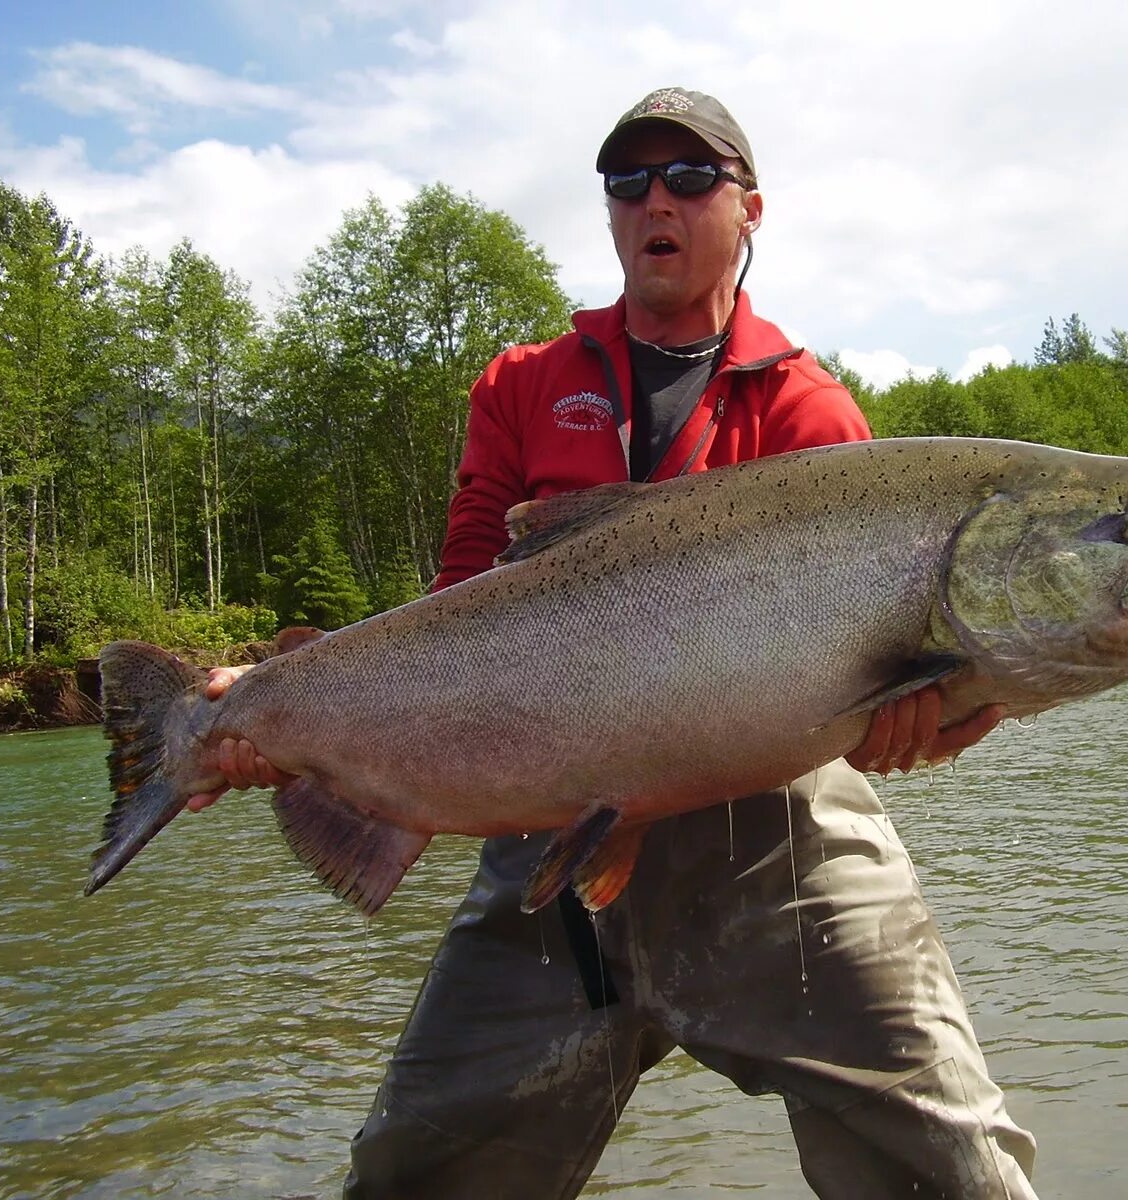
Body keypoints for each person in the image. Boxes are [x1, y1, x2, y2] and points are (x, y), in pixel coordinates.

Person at [196, 87, 1038, 1199]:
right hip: (549, 833)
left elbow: (889, 671)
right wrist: (280, 705)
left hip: (774, 833)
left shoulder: (811, 411)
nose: (657, 198)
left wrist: (919, 727)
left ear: (749, 209)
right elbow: (453, 607)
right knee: (414, 1174)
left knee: (950, 1164)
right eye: (628, 179)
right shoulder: (520, 385)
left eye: (691, 178)